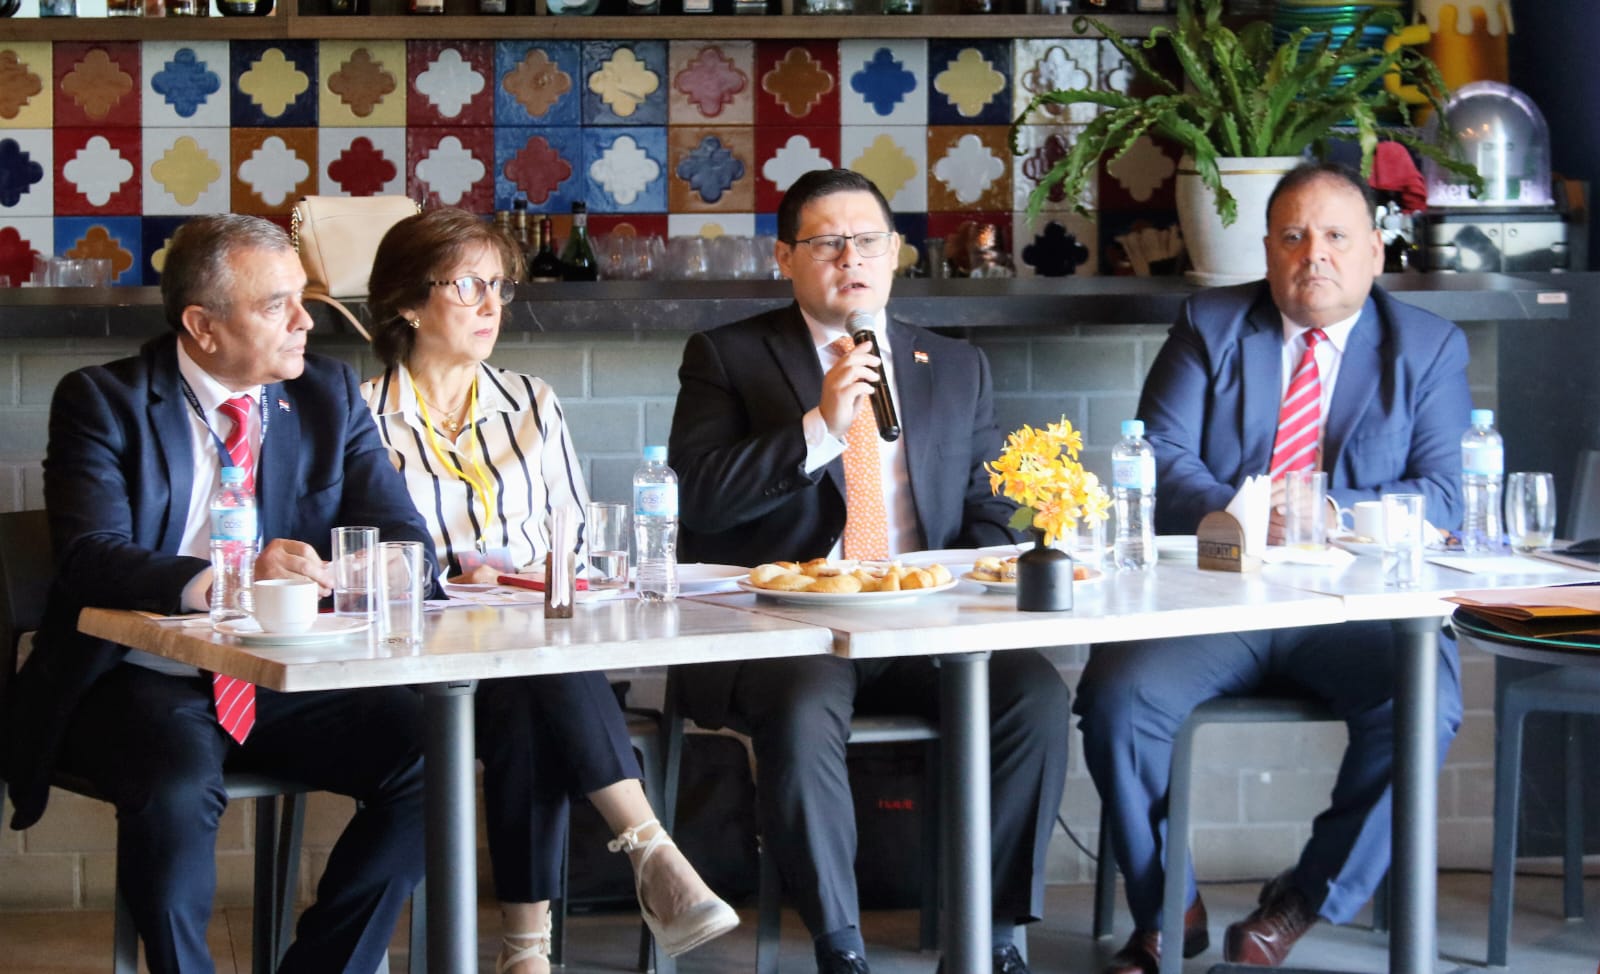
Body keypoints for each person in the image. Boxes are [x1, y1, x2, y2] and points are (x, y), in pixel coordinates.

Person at [2, 214, 433, 974]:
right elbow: (90, 557)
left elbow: (407, 542)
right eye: (276, 305)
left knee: (436, 755)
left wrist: (352, 572)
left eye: (303, 298)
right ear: (202, 326)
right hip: (142, 678)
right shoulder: (104, 399)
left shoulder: (328, 392)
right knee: (175, 789)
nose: (306, 322)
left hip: (283, 674)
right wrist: (235, 579)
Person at [667, 169, 1071, 974]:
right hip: (790, 628)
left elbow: (985, 505)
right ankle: (840, 946)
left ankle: (990, 935)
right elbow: (700, 499)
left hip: (922, 620)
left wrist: (972, 580)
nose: (850, 258)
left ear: (895, 253)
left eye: (868, 241)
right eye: (826, 243)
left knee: (1034, 693)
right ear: (785, 257)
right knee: (802, 700)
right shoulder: (727, 355)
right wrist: (821, 425)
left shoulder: (953, 364)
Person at [1076, 162, 1471, 973]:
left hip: (1354, 610)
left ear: (1375, 251)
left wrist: (1328, 513)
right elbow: (1161, 457)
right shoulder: (1212, 323)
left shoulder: (1428, 346)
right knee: (1118, 698)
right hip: (1218, 597)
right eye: (1293, 236)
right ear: (1267, 250)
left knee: (1425, 701)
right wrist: (1246, 511)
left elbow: (1444, 496)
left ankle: (1303, 900)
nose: (1313, 254)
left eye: (1335, 236)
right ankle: (1169, 909)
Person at [359, 207, 738, 974]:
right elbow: (369, 556)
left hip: (532, 644)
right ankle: (647, 854)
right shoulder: (360, 415)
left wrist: (533, 579)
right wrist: (457, 577)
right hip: (416, 662)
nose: (491, 305)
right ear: (408, 303)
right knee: (534, 677)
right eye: (467, 286)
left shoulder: (533, 401)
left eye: (499, 286)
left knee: (528, 684)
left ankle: (529, 953)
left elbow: (574, 543)